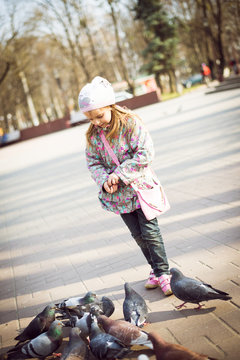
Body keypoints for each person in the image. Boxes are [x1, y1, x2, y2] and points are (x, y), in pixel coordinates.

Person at [78, 76, 172, 296]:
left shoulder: (130, 123)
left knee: (150, 232)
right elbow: (93, 162)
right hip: (119, 196)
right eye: (90, 118)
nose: (96, 122)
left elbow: (145, 153)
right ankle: (154, 269)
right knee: (138, 236)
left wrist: (119, 174)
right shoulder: (93, 136)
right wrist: (104, 181)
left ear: (110, 106)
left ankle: (163, 272)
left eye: (99, 115)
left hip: (140, 189)